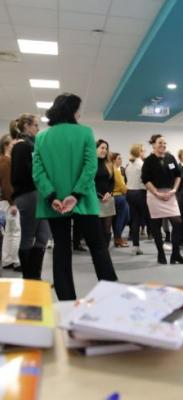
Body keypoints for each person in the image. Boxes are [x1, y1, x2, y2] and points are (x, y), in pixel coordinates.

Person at [32, 93, 118, 300]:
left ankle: (66, 301)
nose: (80, 114)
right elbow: (90, 166)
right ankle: (112, 296)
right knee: (97, 246)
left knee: (61, 250)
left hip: (54, 204)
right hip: (83, 200)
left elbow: (37, 171)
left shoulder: (41, 137)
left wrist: (51, 195)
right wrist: (76, 194)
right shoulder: (85, 133)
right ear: (72, 111)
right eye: (78, 109)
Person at [10, 114, 50, 279]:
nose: (38, 129)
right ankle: (28, 278)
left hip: (40, 194)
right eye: (35, 125)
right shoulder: (21, 147)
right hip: (28, 194)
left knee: (43, 237)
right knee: (28, 237)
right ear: (26, 126)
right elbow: (21, 174)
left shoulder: (33, 146)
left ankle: (36, 277)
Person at [141, 135, 183, 265]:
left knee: (178, 223)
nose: (163, 145)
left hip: (170, 193)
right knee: (156, 227)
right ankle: (161, 254)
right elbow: (146, 180)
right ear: (153, 144)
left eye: (164, 143)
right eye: (160, 143)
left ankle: (176, 254)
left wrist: (174, 190)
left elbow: (178, 175)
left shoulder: (170, 158)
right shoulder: (149, 161)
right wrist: (156, 193)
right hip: (154, 194)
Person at [0, 134, 21, 271]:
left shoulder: (2, 160)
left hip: (4, 201)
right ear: (6, 145)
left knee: (8, 232)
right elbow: (7, 185)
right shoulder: (7, 161)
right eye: (13, 145)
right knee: (15, 231)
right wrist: (13, 202)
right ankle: (14, 260)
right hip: (9, 201)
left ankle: (7, 259)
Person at [125, 144, 148, 255]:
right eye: (143, 151)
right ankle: (160, 245)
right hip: (140, 193)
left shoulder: (129, 165)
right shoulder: (142, 165)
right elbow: (145, 181)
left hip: (130, 193)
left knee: (135, 220)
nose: (145, 152)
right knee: (151, 219)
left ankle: (135, 246)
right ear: (139, 152)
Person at [95, 139, 115, 248]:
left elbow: (112, 182)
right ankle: (99, 248)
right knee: (97, 227)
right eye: (102, 148)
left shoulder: (109, 164)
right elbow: (89, 182)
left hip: (108, 198)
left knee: (107, 226)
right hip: (95, 198)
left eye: (106, 149)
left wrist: (109, 193)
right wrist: (97, 194)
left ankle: (105, 249)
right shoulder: (91, 164)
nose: (104, 150)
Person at [111, 152, 129, 248]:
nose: (121, 160)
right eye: (119, 158)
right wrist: (127, 189)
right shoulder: (116, 171)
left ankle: (117, 239)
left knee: (116, 220)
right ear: (114, 160)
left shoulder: (112, 170)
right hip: (120, 197)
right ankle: (118, 238)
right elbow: (123, 187)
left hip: (114, 197)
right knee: (123, 219)